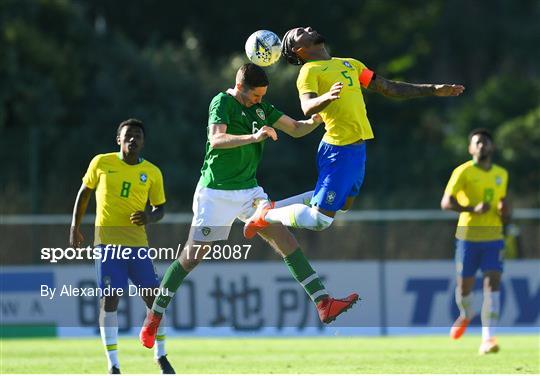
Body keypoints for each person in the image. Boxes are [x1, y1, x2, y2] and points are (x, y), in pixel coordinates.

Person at [139, 63, 359, 349]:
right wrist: (253, 138)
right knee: (191, 257)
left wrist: (321, 111)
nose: (260, 101)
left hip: (249, 192)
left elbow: (295, 128)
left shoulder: (261, 108)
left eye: (262, 96)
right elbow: (216, 139)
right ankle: (155, 315)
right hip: (215, 193)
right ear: (240, 87)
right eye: (256, 96)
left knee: (284, 238)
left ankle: (323, 302)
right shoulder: (222, 102)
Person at [243, 26, 465, 238]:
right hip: (338, 149)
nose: (308, 28)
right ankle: (267, 215)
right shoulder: (308, 71)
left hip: (357, 148)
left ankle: (272, 207)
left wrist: (433, 90)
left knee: (344, 204)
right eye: (301, 32)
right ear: (299, 50)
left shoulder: (351, 64)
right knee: (321, 220)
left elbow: (389, 88)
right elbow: (307, 106)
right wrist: (326, 97)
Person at [70, 119, 175, 374]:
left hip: (138, 246)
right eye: (128, 135)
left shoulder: (152, 172)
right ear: (119, 140)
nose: (133, 139)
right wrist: (75, 226)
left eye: (137, 136)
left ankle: (161, 356)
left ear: (143, 141)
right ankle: (113, 364)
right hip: (107, 244)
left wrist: (149, 217)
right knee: (110, 300)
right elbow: (84, 192)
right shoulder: (102, 163)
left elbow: (159, 209)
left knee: (156, 301)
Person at [441, 128, 510, 355]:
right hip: (468, 237)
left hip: (494, 237)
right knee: (464, 289)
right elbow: (446, 203)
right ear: (471, 148)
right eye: (477, 142)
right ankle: (466, 315)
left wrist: (504, 210)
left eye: (486, 142)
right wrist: (472, 209)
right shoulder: (463, 172)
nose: (482, 145)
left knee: (493, 285)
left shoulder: (502, 173)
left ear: (492, 147)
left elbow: (505, 209)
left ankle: (488, 339)